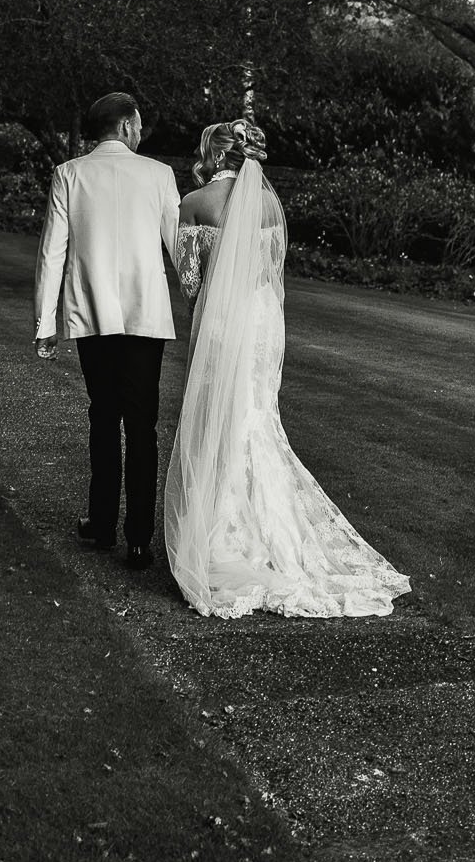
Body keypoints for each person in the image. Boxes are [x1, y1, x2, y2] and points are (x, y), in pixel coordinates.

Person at [164, 117, 411, 617]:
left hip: (222, 320)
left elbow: (191, 284)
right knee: (257, 415)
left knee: (220, 419)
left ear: (214, 155)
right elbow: (272, 274)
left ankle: (220, 535)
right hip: (262, 322)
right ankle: (272, 531)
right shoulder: (270, 203)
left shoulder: (194, 204)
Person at [33, 92, 180, 570]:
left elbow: (51, 253)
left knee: (103, 417)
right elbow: (180, 249)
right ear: (127, 125)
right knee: (143, 426)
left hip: (92, 316)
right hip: (145, 317)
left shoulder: (69, 175)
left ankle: (101, 526)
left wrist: (44, 324)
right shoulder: (158, 175)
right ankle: (138, 539)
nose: (141, 131)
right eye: (138, 123)